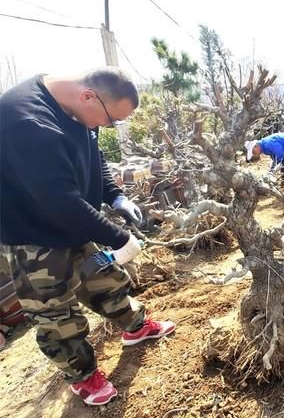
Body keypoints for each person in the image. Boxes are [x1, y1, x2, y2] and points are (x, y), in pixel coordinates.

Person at [0, 68, 176, 406]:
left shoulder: (76, 108)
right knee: (56, 314)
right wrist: (118, 237)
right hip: (31, 235)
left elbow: (92, 155)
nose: (105, 129)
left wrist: (114, 195)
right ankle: (82, 377)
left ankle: (134, 326)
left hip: (72, 221)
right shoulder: (25, 121)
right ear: (88, 96)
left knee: (103, 279)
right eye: (110, 122)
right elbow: (57, 200)